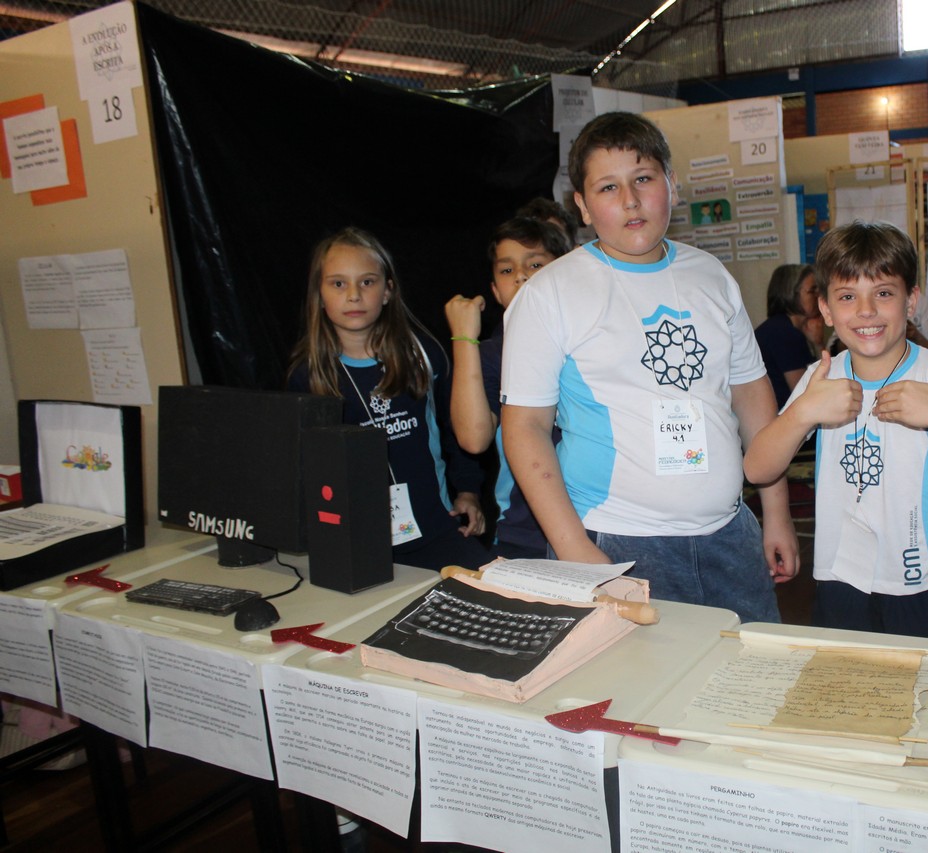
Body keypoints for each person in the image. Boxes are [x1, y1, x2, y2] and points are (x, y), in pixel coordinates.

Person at [501, 111, 798, 622]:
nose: (630, 200)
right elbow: (525, 428)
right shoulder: (549, 293)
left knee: (751, 670)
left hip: (731, 534)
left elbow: (751, 395)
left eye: (643, 178)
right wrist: (575, 549)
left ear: (672, 184)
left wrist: (776, 512)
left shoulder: (712, 276)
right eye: (608, 187)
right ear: (582, 206)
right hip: (615, 540)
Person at [745, 221, 928, 640]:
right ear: (825, 309)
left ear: (911, 300)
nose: (866, 311)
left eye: (883, 293)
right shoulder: (820, 377)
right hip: (842, 582)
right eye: (847, 296)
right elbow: (757, 468)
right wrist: (803, 411)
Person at [287, 226, 491, 570]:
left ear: (387, 291)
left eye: (367, 282)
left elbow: (455, 426)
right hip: (356, 541)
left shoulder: (423, 355)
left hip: (437, 528)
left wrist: (468, 491)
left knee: (496, 590)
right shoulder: (307, 377)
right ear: (319, 295)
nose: (354, 295)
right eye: (338, 284)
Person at [445, 217, 572, 559]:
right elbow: (473, 439)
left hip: (603, 522)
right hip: (524, 531)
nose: (521, 276)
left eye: (535, 264)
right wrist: (464, 338)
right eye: (507, 270)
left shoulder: (588, 342)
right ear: (495, 290)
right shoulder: (490, 355)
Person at [754, 263, 823, 411]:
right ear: (791, 294)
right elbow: (806, 392)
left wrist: (817, 343)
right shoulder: (784, 333)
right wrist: (819, 345)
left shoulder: (783, 327)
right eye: (812, 291)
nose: (818, 296)